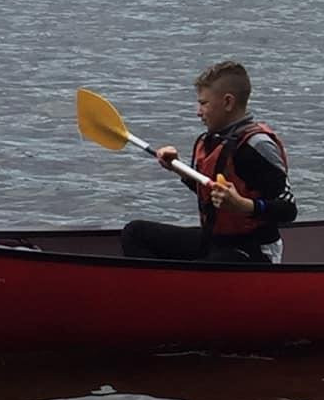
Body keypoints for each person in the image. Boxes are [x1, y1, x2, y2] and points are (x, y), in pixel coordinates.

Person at [121, 61, 296, 263]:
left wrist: (243, 205)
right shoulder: (212, 140)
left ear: (228, 103)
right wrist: (178, 168)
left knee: (200, 270)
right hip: (216, 240)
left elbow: (288, 210)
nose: (198, 111)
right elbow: (210, 193)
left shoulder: (257, 146)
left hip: (254, 250)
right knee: (134, 232)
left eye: (203, 103)